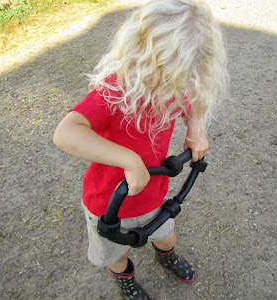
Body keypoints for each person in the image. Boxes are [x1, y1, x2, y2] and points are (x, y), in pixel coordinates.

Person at [53, 0, 227, 298]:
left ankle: (166, 256)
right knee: (117, 255)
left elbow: (191, 101)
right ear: (141, 54)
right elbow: (66, 133)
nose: (173, 87)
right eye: (166, 75)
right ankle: (125, 279)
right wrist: (128, 159)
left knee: (166, 236)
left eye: (182, 78)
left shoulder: (174, 84)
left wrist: (195, 130)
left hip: (154, 195)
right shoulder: (115, 90)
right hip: (109, 206)